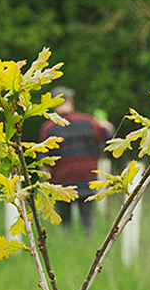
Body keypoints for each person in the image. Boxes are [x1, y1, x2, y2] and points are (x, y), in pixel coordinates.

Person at [39, 86, 114, 235]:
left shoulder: (48, 128)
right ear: (71, 101)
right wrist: (105, 123)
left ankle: (67, 246)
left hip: (61, 182)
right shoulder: (88, 122)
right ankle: (90, 246)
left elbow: (44, 160)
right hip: (86, 178)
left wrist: (44, 184)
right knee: (88, 223)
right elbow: (108, 134)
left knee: (64, 224)